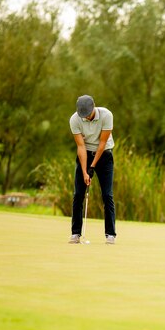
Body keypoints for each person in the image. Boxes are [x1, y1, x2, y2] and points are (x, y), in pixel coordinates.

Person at [68, 95, 116, 244]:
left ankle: (110, 234)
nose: (87, 117)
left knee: (107, 195)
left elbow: (102, 143)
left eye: (88, 114)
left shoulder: (106, 115)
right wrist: (84, 171)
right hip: (85, 154)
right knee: (78, 195)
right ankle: (76, 233)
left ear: (94, 106)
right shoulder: (75, 119)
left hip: (104, 155)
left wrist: (93, 166)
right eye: (84, 115)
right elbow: (81, 146)